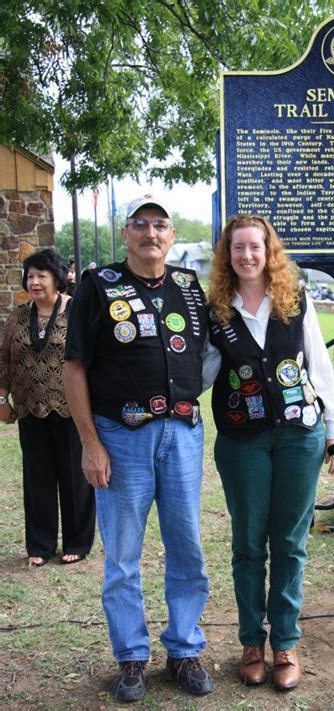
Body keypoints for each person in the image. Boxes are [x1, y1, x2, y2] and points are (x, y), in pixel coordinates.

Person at [63, 195, 215, 703]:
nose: (152, 233)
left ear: (172, 236)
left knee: (187, 547)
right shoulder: (96, 287)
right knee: (123, 555)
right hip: (121, 438)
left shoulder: (191, 289)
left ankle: (184, 649)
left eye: (161, 225)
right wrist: (90, 443)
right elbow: (74, 367)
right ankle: (130, 657)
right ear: (126, 233)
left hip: (183, 435)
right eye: (141, 225)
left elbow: (218, 348)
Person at [206, 214, 334, 692]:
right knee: (248, 545)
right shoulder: (215, 309)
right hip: (242, 441)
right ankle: (251, 642)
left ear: (269, 252)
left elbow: (320, 366)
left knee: (290, 542)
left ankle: (285, 642)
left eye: (255, 247)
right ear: (228, 255)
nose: (247, 255)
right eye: (238, 248)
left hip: (298, 436)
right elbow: (202, 371)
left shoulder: (296, 299)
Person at [0, 248, 95, 567]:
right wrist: (2, 399)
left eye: (42, 275)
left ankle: (77, 542)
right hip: (29, 409)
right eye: (30, 275)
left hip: (72, 409)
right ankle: (39, 545)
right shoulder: (18, 316)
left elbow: (90, 358)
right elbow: (4, 360)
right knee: (36, 479)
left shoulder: (76, 310)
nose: (35, 281)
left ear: (57, 278)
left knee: (74, 478)